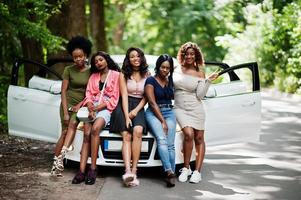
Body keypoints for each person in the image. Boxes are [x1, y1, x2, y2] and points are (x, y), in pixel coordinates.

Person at [71, 51, 120, 185]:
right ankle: (81, 171)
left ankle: (93, 169)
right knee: (86, 134)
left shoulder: (116, 76)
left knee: (95, 129)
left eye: (100, 60)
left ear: (106, 60)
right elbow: (88, 95)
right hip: (91, 108)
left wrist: (96, 109)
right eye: (96, 61)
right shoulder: (93, 76)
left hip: (105, 109)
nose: (98, 63)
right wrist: (90, 107)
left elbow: (114, 99)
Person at [173, 42, 219, 183]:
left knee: (199, 138)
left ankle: (197, 172)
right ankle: (186, 168)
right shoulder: (176, 69)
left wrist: (208, 81)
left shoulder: (200, 73)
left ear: (196, 56)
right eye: (186, 53)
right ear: (183, 55)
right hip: (179, 108)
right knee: (188, 134)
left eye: (192, 54)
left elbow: (200, 95)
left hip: (196, 108)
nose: (189, 56)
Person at [51, 36, 92, 176]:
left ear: (86, 55)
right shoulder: (68, 70)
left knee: (72, 128)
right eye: (75, 57)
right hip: (67, 103)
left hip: (81, 106)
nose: (78, 59)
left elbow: (91, 92)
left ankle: (60, 160)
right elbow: (63, 91)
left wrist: (80, 105)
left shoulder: (91, 71)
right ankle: (56, 164)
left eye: (80, 56)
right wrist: (66, 112)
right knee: (64, 132)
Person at [112, 47, 149, 187]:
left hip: (139, 105)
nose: (136, 59)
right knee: (127, 135)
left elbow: (147, 96)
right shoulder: (123, 74)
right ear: (128, 59)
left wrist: (136, 111)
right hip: (123, 105)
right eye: (132, 56)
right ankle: (127, 172)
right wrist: (127, 115)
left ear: (141, 58)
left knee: (138, 131)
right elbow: (124, 95)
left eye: (138, 56)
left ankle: (134, 171)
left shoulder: (147, 74)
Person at [145, 54, 177, 187]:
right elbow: (152, 102)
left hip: (169, 112)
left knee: (170, 144)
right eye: (163, 67)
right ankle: (169, 171)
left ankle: (172, 174)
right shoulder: (150, 81)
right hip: (153, 113)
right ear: (158, 67)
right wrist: (162, 121)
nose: (165, 70)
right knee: (162, 139)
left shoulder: (170, 81)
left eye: (168, 68)